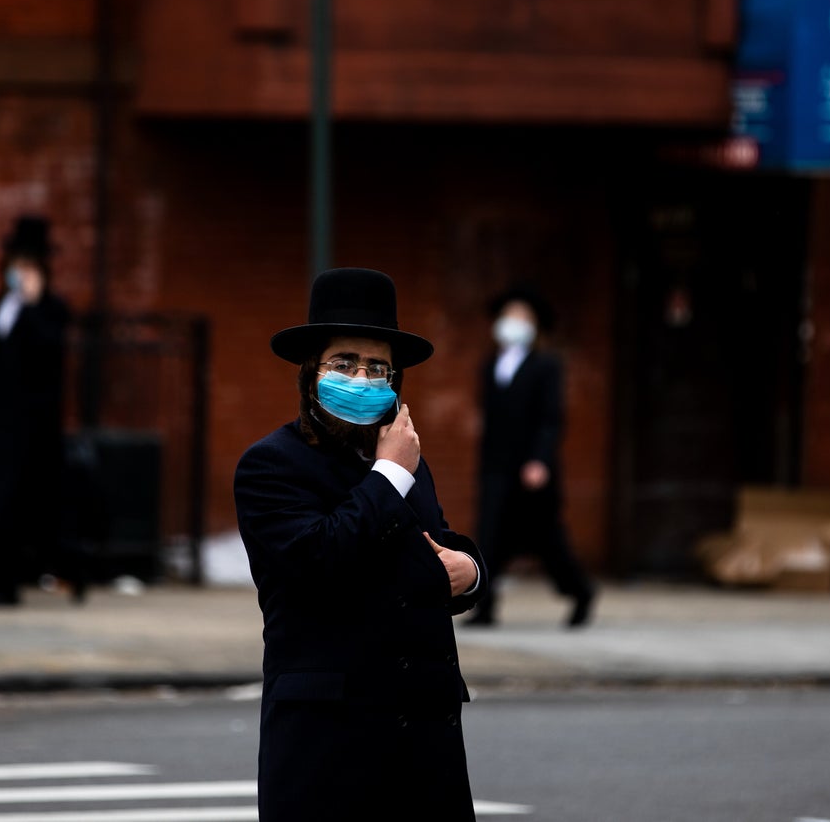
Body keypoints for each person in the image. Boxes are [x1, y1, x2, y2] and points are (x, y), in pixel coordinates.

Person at [234, 267, 487, 822]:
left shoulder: (404, 459)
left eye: (378, 368)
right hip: (331, 745)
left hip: (423, 743)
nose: (362, 378)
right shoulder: (271, 464)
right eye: (344, 363)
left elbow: (434, 546)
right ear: (310, 374)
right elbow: (316, 560)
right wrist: (389, 475)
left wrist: (469, 569)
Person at [467, 283, 595, 628]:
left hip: (531, 469)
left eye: (522, 316)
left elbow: (551, 418)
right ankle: (486, 606)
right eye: (509, 315)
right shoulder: (490, 363)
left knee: (548, 539)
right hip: (496, 467)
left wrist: (539, 459)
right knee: (489, 535)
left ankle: (580, 593)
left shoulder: (546, 365)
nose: (514, 322)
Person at [0, 215, 71, 607]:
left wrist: (31, 305)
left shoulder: (51, 309)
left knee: (20, 503)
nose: (20, 272)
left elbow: (50, 353)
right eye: (17, 264)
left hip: (31, 427)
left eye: (28, 266)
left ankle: (12, 581)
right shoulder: (2, 303)